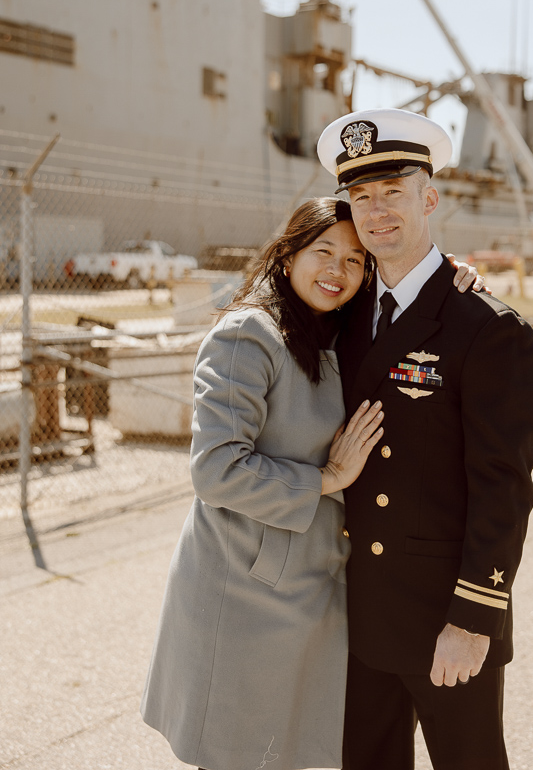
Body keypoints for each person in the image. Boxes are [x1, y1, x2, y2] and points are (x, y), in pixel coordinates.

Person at [141, 196, 482, 770]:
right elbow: (215, 469)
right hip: (245, 586)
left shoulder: (338, 333)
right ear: (287, 254)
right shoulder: (249, 335)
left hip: (312, 583)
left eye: (354, 260)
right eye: (323, 251)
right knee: (238, 751)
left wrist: (450, 279)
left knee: (288, 750)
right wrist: (326, 479)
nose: (337, 271)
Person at [317, 109, 533, 770]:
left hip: (445, 614)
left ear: (429, 197)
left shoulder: (487, 327)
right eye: (361, 197)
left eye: (393, 192)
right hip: (361, 615)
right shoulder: (343, 309)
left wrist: (473, 619)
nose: (376, 210)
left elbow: (503, 485)